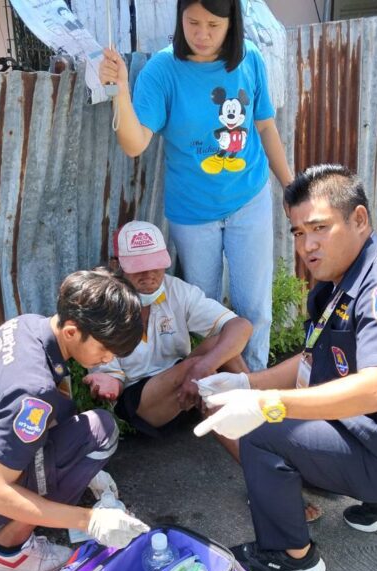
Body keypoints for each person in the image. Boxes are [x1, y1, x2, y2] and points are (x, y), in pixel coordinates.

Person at [193, 165, 377, 571]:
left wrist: (266, 403)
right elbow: (312, 356)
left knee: (262, 431)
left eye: (319, 228)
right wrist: (247, 383)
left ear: (359, 219)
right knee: (280, 416)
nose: (307, 245)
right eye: (298, 233)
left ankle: (290, 555)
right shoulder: (340, 278)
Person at [99, 0, 293, 372]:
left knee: (256, 309)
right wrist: (119, 90)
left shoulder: (249, 58)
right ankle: (213, 386)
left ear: (231, 22)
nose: (202, 34)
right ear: (180, 18)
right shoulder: (162, 70)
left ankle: (254, 385)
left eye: (213, 25)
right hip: (192, 213)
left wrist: (289, 185)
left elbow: (266, 126)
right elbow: (135, 144)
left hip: (249, 199)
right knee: (205, 312)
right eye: (193, 22)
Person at [0, 270, 151, 571]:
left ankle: (49, 491)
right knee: (102, 433)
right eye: (104, 349)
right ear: (71, 331)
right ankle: (8, 550)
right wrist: (89, 521)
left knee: (85, 424)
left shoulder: (28, 325)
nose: (108, 359)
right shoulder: (32, 393)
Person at [82, 220, 252, 437]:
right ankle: (252, 425)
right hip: (140, 401)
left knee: (222, 344)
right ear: (117, 265)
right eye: (139, 267)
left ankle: (259, 406)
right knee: (196, 367)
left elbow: (241, 326)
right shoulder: (104, 304)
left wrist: (204, 367)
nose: (149, 275)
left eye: (155, 265)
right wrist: (109, 383)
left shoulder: (176, 290)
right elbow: (114, 381)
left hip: (184, 381)